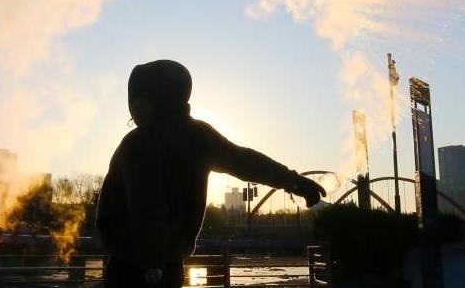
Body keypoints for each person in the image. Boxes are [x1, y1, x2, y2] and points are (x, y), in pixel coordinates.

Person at [96, 60, 326, 288]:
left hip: (135, 267)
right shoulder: (199, 136)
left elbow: (147, 207)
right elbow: (246, 162)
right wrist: (293, 181)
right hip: (171, 264)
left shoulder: (139, 143)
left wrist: (152, 264)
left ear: (144, 103)